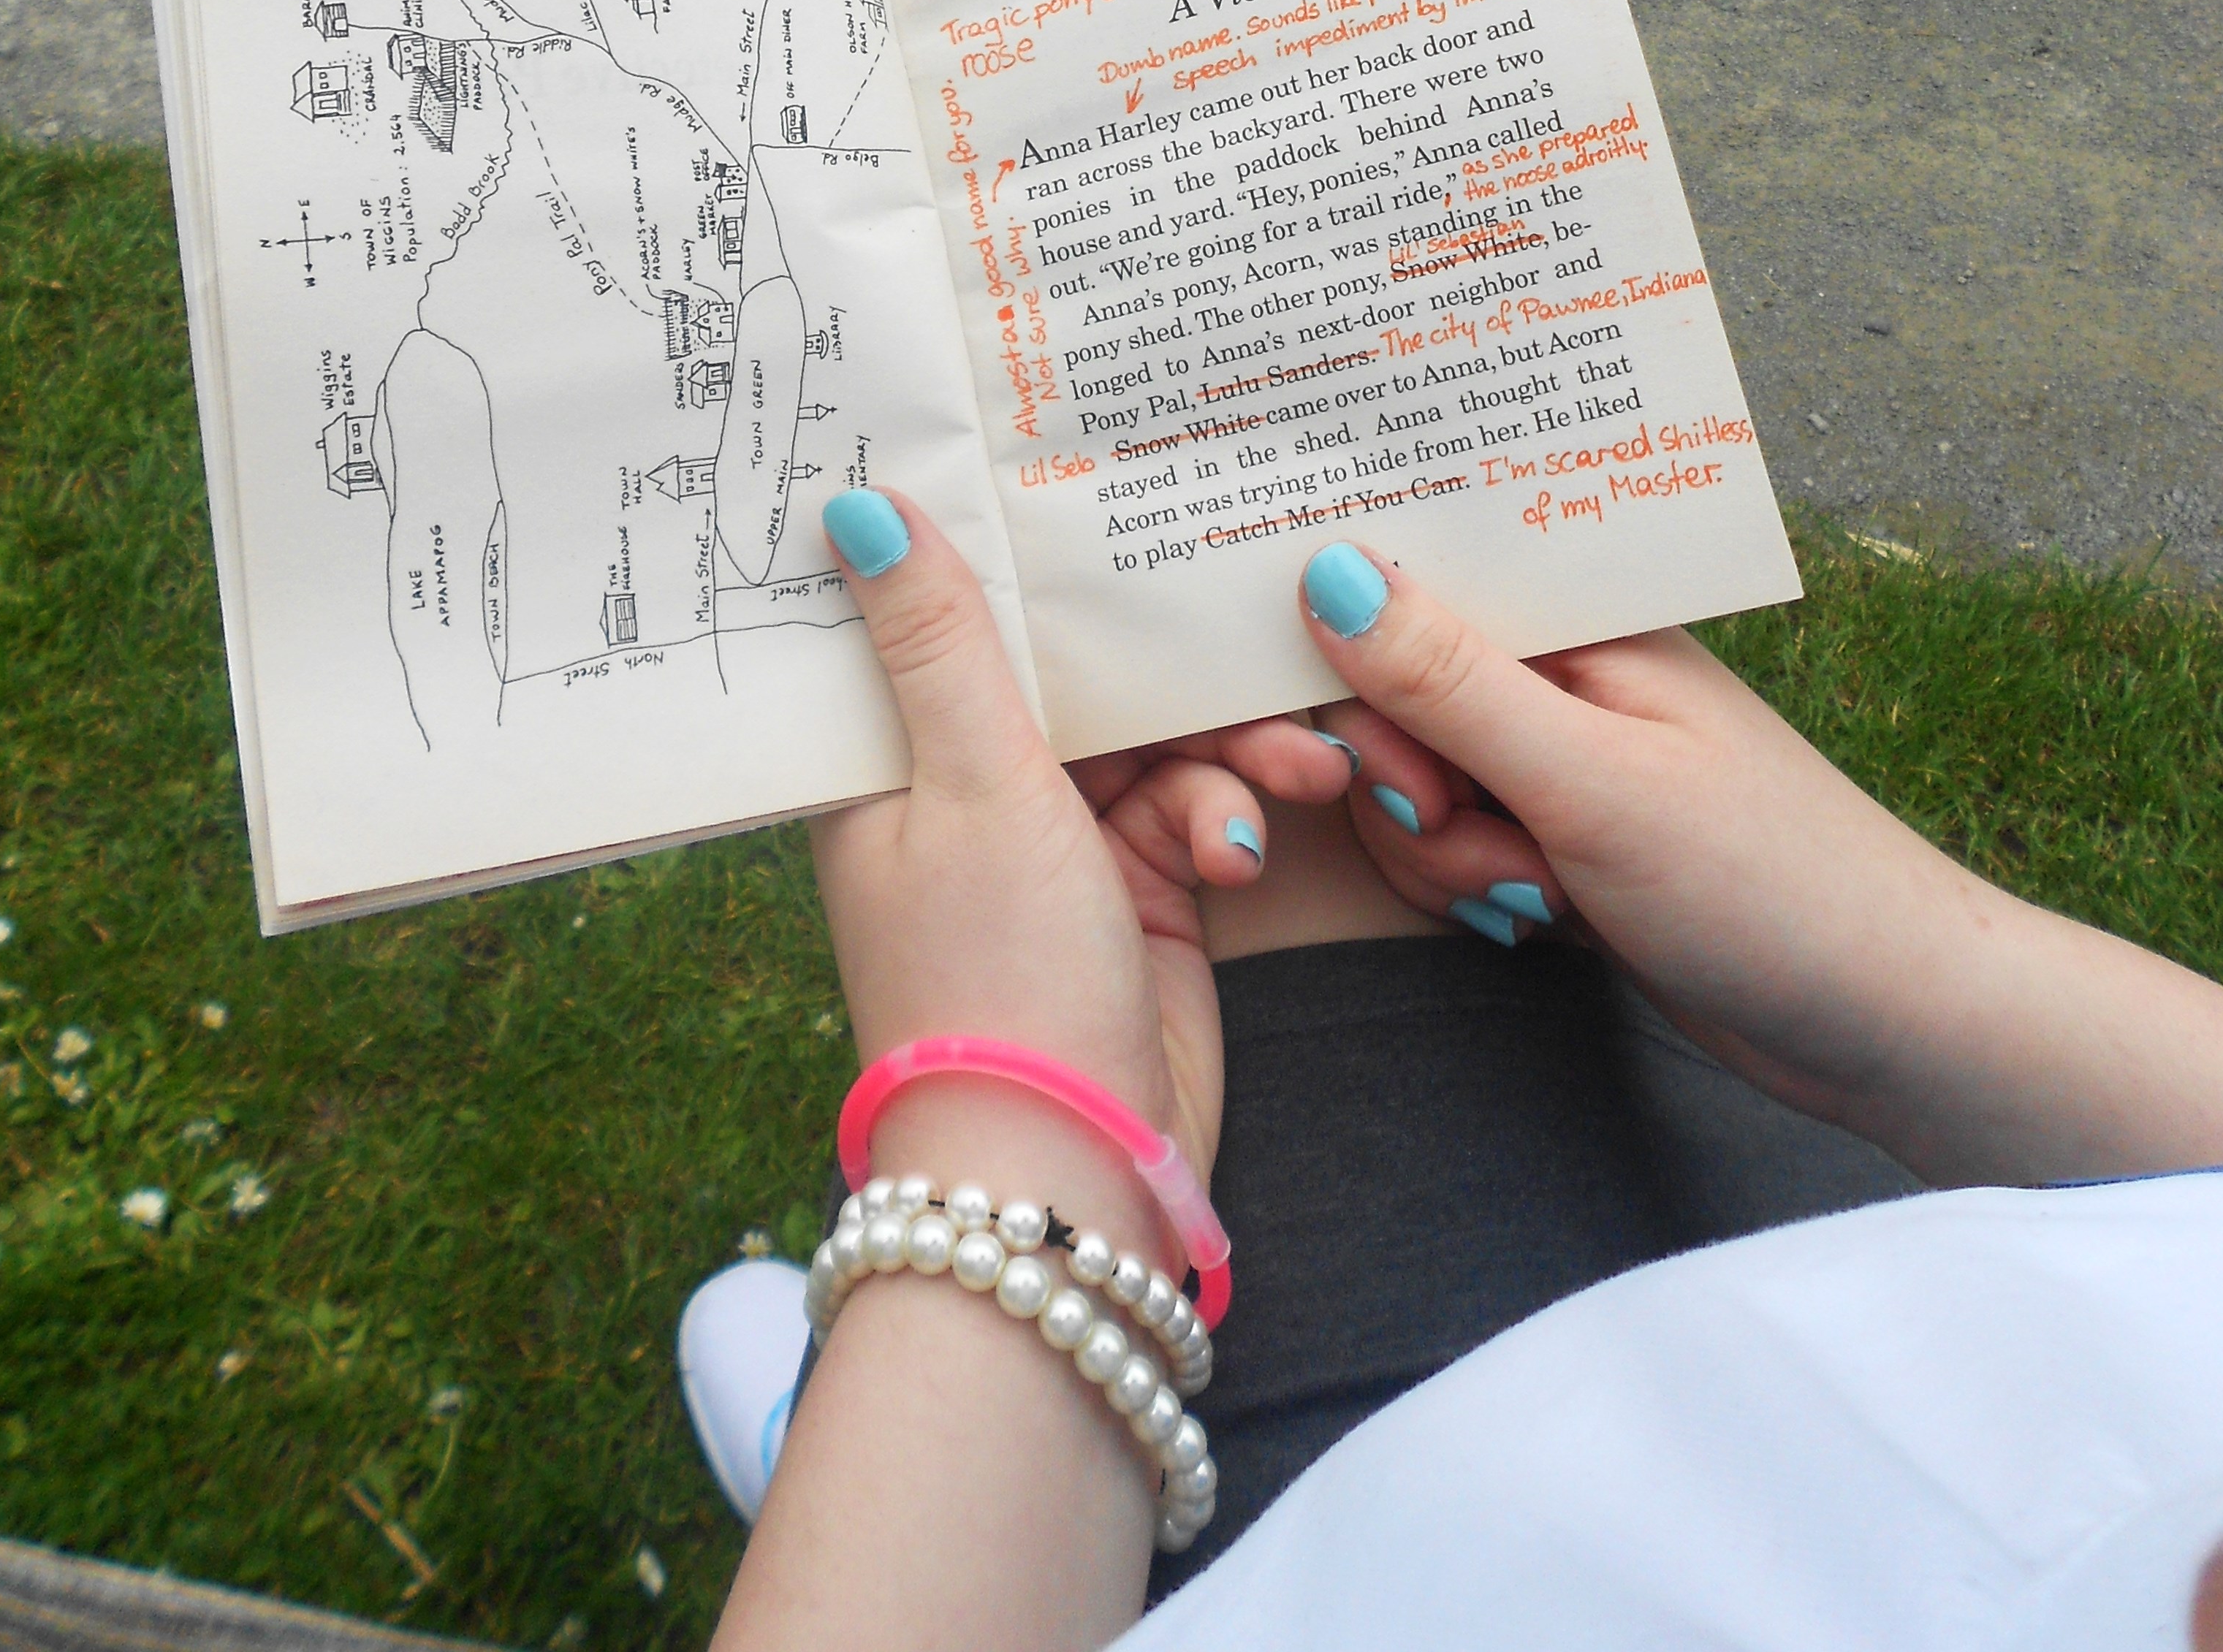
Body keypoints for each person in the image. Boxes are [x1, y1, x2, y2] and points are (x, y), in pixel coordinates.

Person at [696, 491, 2223, 1650]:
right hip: (1988, 1317)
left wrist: (1005, 1215)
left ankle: (902, 1459)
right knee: (1334, 823)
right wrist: (1918, 976)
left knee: (1273, 873)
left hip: (1410, 1547)